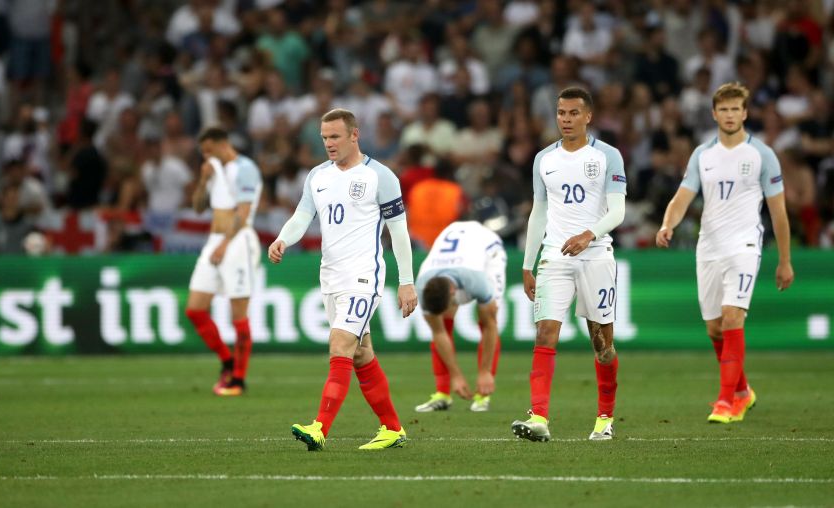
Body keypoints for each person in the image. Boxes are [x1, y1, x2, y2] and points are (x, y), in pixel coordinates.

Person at [268, 108, 417, 451]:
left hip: (364, 276)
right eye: (324, 138)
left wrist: (406, 281)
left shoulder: (380, 176)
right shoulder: (317, 176)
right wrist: (282, 239)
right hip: (331, 277)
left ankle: (319, 427)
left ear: (354, 135)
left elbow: (400, 233)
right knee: (361, 353)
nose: (328, 144)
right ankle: (393, 429)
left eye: (335, 136)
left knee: (339, 345)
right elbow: (302, 215)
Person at [656, 82, 794, 424]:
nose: (730, 115)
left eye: (736, 109)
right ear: (714, 114)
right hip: (709, 247)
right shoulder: (703, 155)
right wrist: (667, 224)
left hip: (745, 244)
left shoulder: (761, 154)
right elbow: (682, 198)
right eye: (725, 109)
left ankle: (725, 402)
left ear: (745, 113)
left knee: (733, 316)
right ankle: (743, 391)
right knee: (715, 328)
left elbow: (778, 211)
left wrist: (785, 260)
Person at [513, 87, 627, 442]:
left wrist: (588, 235)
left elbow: (618, 211)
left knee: (602, 345)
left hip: (595, 256)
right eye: (561, 113)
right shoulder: (544, 159)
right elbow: (539, 212)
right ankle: (539, 418)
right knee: (546, 332)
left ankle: (605, 418)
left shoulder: (608, 156)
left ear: (588, 116)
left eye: (574, 113)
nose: (566, 119)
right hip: (555, 257)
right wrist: (528, 263)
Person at [186, 127, 263, 397]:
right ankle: (227, 361)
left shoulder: (245, 168)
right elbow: (197, 208)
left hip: (238, 242)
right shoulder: (214, 171)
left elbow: (242, 212)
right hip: (215, 240)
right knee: (195, 309)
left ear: (223, 144)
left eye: (209, 150)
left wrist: (225, 243)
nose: (207, 156)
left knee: (238, 313)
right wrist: (203, 180)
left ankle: (238, 380)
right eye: (203, 152)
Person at [413, 221, 506, 413]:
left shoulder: (477, 281)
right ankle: (442, 394)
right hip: (454, 245)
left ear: (454, 292)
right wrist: (456, 375)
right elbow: (438, 332)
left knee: (487, 318)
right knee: (441, 326)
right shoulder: (422, 286)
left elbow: (490, 327)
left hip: (489, 251)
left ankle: (483, 395)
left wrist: (484, 372)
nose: (453, 308)